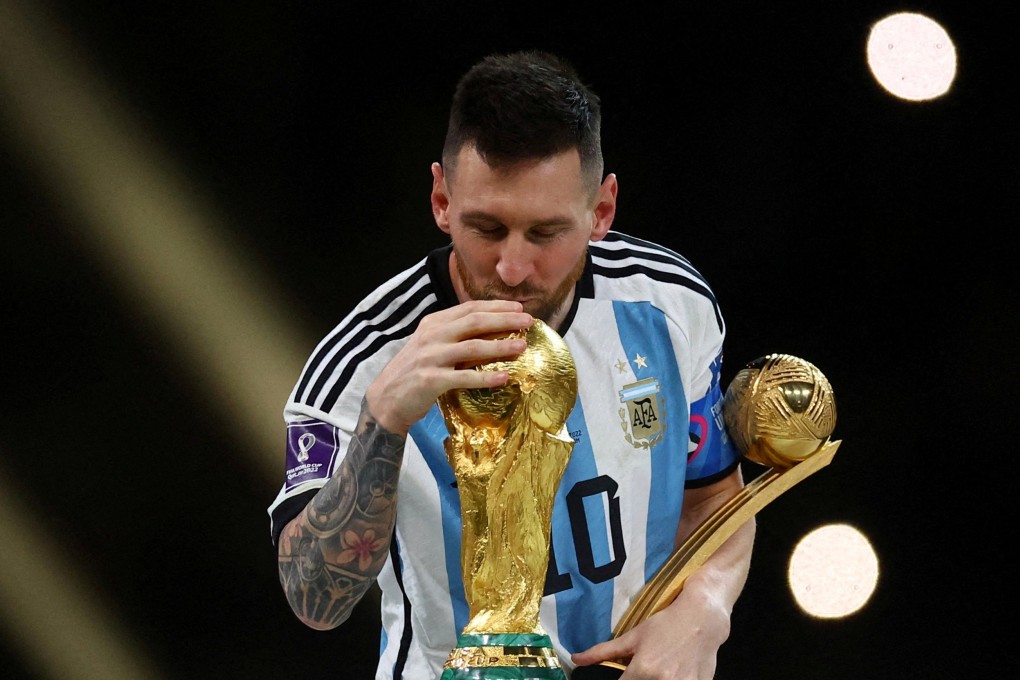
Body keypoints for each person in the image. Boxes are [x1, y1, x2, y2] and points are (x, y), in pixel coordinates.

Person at [268, 49, 755, 679]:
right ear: (442, 200)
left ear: (601, 212)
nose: (512, 269)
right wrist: (383, 423)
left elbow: (715, 498)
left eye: (546, 233)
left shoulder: (670, 305)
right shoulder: (363, 363)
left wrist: (707, 610)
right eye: (487, 228)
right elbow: (313, 600)